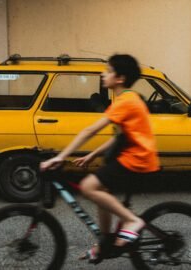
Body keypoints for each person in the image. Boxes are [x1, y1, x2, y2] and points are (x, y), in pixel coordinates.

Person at [40, 54, 160, 262]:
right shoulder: (125, 100)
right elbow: (119, 137)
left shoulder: (127, 101)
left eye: (108, 71)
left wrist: (59, 157)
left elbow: (90, 131)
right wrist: (93, 155)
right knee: (100, 190)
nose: (103, 74)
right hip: (131, 157)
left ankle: (132, 221)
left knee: (88, 187)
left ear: (120, 78)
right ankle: (105, 243)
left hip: (137, 160)